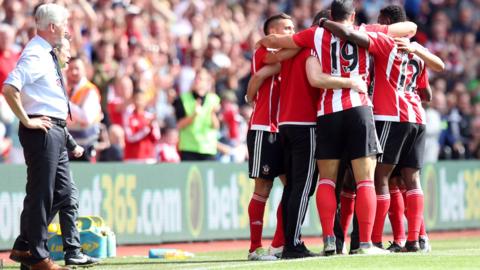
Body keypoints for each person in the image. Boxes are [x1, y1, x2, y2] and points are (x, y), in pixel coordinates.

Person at [257, 0, 387, 255]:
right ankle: (365, 244)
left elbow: (278, 44)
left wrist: (264, 42)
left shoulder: (314, 35)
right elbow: (406, 29)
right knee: (364, 180)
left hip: (327, 112)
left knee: (326, 179)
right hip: (358, 106)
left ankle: (329, 241)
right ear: (352, 15)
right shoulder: (366, 31)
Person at [320, 3, 444, 252]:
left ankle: (373, 239)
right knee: (410, 179)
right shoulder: (416, 50)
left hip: (390, 115)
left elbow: (351, 35)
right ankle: (415, 239)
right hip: (417, 118)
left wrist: (324, 23)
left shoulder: (385, 42)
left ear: (387, 21)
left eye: (380, 20)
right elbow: (427, 93)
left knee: (379, 178)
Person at [2, 4, 95, 270]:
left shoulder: (45, 53)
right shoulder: (35, 54)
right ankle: (38, 255)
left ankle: (24, 244)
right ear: (52, 27)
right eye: (64, 22)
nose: (68, 27)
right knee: (41, 193)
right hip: (42, 129)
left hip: (55, 129)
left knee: (64, 192)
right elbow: (10, 88)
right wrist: (26, 120)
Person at [174, 68, 221, 161]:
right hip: (189, 148)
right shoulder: (182, 99)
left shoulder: (214, 99)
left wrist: (212, 114)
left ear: (207, 83)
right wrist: (194, 115)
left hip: (208, 149)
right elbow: (179, 125)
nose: (197, 81)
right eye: (196, 78)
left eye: (201, 79)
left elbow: (216, 126)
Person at [65, 55, 102, 162]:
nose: (73, 72)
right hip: (72, 147)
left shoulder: (90, 90)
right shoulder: (69, 90)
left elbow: (87, 117)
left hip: (86, 148)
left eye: (77, 68)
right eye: (70, 69)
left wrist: (65, 104)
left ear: (85, 70)